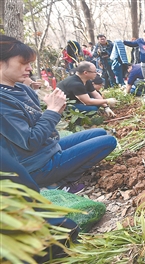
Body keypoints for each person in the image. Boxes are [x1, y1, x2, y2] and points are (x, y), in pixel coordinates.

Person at [0, 35, 117, 194]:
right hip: (35, 165)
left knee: (100, 132)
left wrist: (53, 108)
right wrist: (52, 111)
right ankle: (60, 183)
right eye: (23, 63)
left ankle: (61, 173)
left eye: (29, 63)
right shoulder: (3, 101)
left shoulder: (21, 88)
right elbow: (30, 141)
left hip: (46, 149)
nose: (29, 68)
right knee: (108, 141)